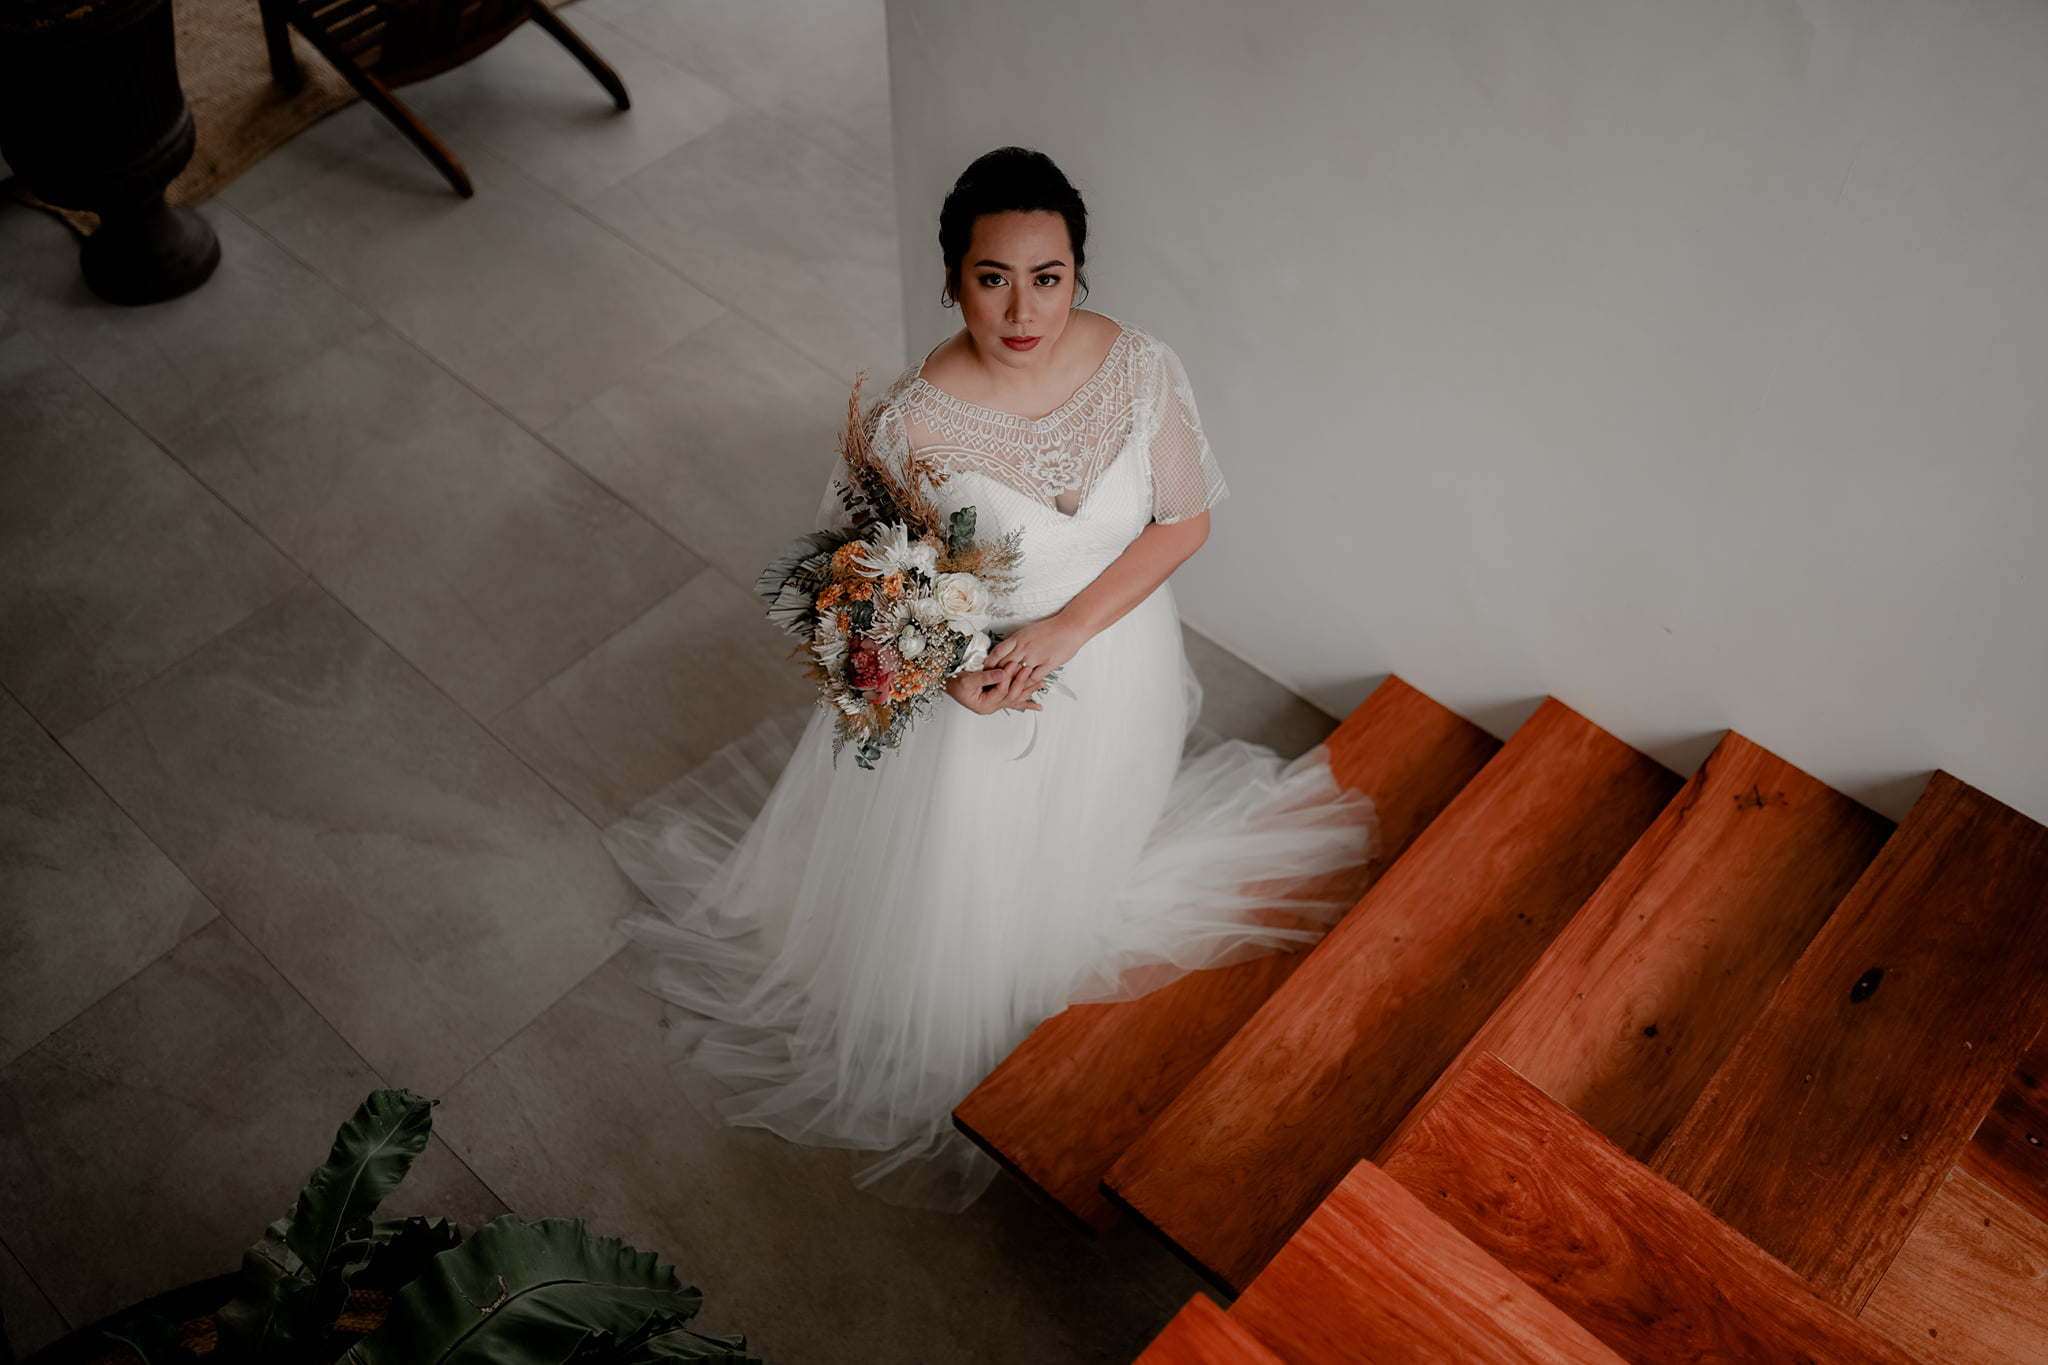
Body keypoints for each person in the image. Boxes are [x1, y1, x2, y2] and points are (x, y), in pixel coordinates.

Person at [603, 147, 1378, 1211]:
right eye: (992, 278)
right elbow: (856, 593)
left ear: (1078, 273)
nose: (1022, 310)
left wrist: (1069, 629)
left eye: (1047, 277)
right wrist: (949, 676)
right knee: (966, 862)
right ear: (951, 278)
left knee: (1091, 809)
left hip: (1114, 650)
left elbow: (1183, 522)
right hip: (980, 693)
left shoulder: (1141, 368)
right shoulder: (911, 423)